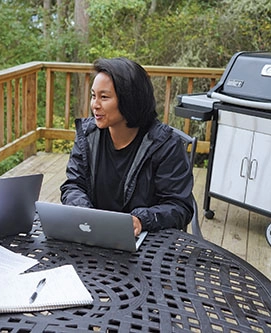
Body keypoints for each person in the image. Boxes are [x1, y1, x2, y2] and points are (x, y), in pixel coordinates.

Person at [60, 57, 194, 236]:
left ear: (129, 99)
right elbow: (73, 185)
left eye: (104, 97)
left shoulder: (165, 145)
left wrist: (141, 220)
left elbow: (179, 207)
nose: (95, 105)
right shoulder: (87, 136)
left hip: (145, 242)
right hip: (92, 235)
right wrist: (86, 213)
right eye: (93, 96)